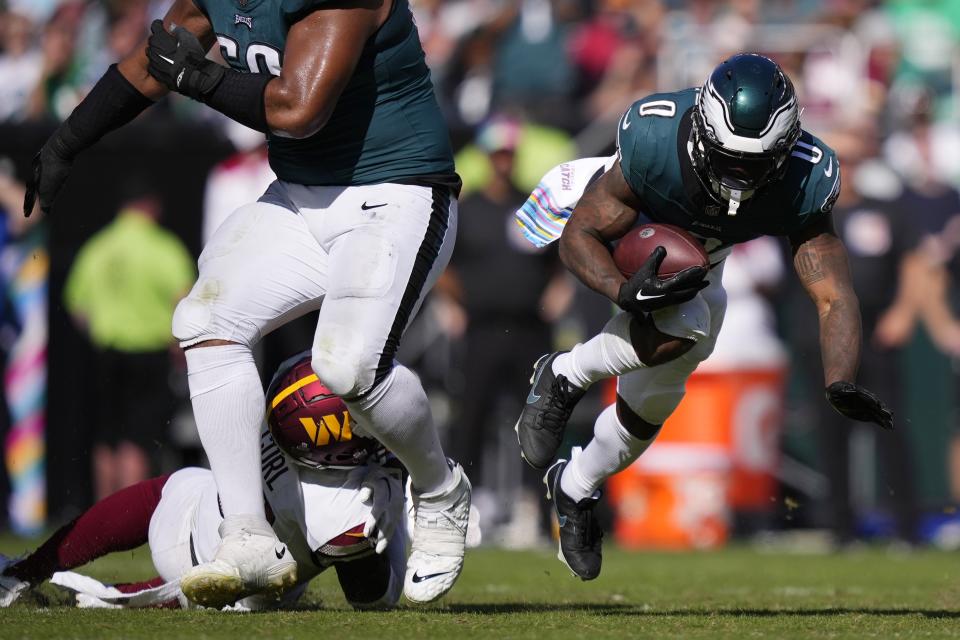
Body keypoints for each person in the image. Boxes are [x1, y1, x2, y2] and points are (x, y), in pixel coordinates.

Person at [23, 0, 470, 607]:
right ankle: (247, 535)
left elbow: (298, 110)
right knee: (205, 321)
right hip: (300, 195)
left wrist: (198, 79)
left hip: (395, 192)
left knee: (347, 368)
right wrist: (68, 140)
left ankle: (441, 491)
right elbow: (153, 62)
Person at [514, 54, 893, 580]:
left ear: (783, 150)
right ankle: (564, 374)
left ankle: (575, 486)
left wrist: (840, 379)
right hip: (639, 225)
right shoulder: (655, 141)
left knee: (650, 408)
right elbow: (582, 234)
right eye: (727, 159)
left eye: (754, 165)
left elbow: (833, 295)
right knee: (684, 322)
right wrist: (624, 291)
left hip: (702, 258)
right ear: (701, 133)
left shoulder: (805, 176)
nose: (738, 177)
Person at [0, 352, 406, 611]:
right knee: (186, 582)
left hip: (193, 509)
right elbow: (373, 596)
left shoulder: (288, 402)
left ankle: (28, 569)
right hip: (220, 574)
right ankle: (126, 594)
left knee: (170, 488)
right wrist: (394, 502)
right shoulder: (335, 510)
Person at [63, 186, 195, 500]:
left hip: (106, 352)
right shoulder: (163, 247)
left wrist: (102, 330)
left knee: (107, 437)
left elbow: (77, 306)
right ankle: (125, 520)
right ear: (150, 207)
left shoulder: (98, 247)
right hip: (149, 352)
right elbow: (186, 301)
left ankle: (101, 519)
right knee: (139, 437)